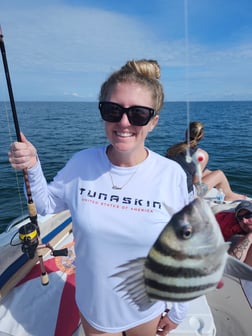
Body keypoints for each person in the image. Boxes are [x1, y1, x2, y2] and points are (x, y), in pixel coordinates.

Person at [9, 59, 190, 336]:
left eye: (138, 114)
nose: (124, 122)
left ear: (153, 122)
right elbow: (45, 205)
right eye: (113, 110)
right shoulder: (81, 163)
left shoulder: (171, 175)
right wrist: (32, 165)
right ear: (102, 113)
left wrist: (178, 310)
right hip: (95, 309)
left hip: (148, 308)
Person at [166, 121, 246, 202]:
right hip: (186, 197)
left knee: (208, 172)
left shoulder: (174, 148)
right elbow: (196, 182)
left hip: (170, 189)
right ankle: (229, 196)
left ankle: (227, 192)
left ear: (186, 133)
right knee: (219, 174)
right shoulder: (201, 155)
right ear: (201, 136)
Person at [228, 201, 252, 267]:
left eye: (248, 215)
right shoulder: (235, 239)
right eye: (240, 218)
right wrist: (250, 236)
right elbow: (230, 266)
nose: (244, 221)